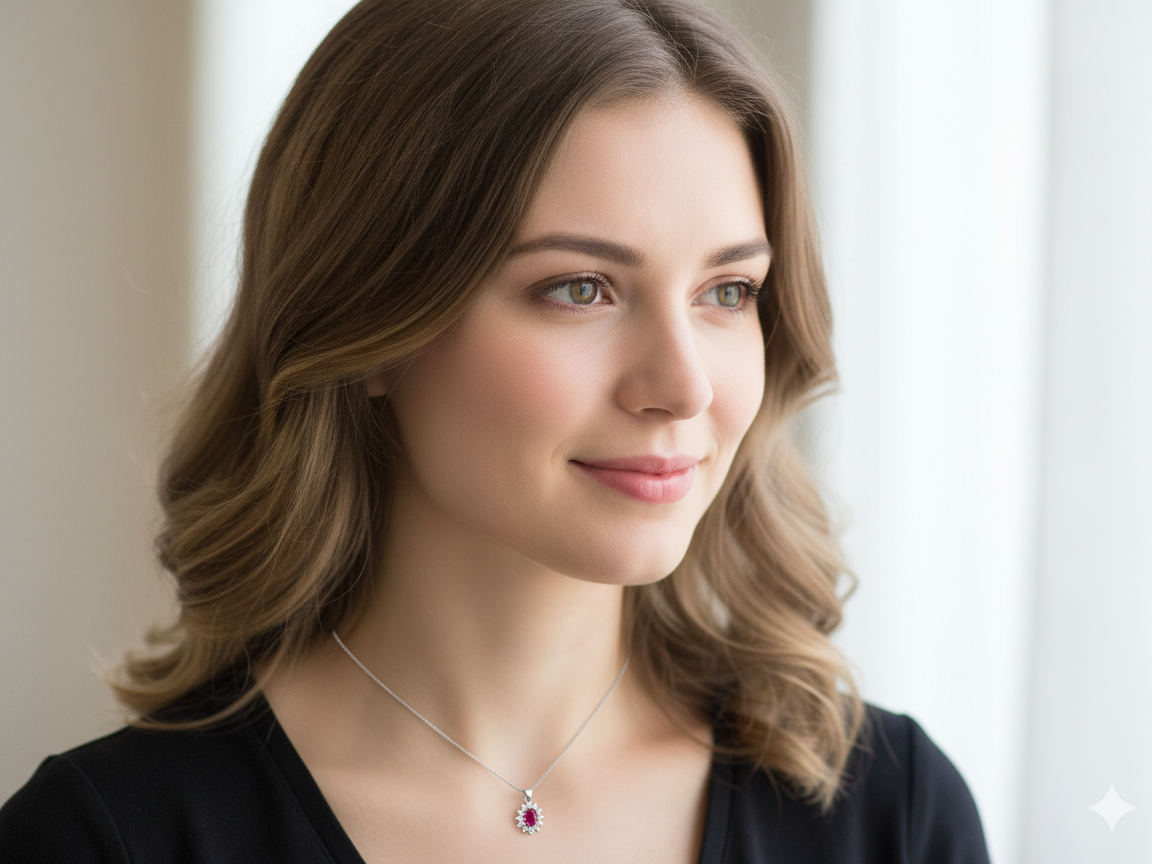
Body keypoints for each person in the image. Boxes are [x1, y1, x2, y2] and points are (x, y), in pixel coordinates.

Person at [0, 0, 991, 861]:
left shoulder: (890, 816)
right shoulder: (105, 839)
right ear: (371, 325)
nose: (684, 385)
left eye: (728, 290)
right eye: (580, 288)